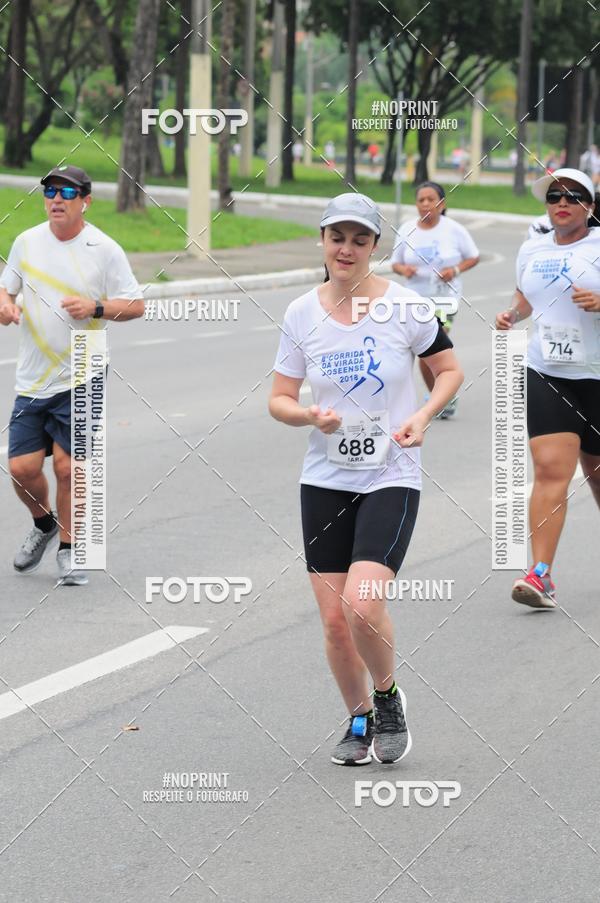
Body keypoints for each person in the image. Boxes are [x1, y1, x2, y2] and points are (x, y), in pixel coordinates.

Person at [269, 193, 463, 764]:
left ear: (375, 246)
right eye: (337, 238)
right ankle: (358, 719)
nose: (346, 249)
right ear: (323, 241)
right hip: (325, 478)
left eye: (359, 240)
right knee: (335, 623)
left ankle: (386, 697)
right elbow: (279, 399)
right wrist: (308, 415)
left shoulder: (406, 307)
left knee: (361, 605)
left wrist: (423, 416)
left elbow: (449, 370)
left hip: (390, 474)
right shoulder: (301, 313)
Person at [0, 165, 144, 586]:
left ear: (86, 201)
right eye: (50, 192)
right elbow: (6, 289)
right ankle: (44, 524)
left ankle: (70, 549)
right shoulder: (27, 242)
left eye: (67, 192)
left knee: (68, 467)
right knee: (21, 468)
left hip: (84, 371)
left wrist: (95, 307)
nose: (56, 200)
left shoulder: (104, 249)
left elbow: (136, 305)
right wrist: (5, 306)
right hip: (34, 377)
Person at [495, 168, 600, 608]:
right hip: (548, 372)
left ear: (589, 206)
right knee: (551, 470)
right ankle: (540, 574)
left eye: (573, 196)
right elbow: (525, 296)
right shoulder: (532, 248)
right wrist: (512, 314)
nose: (562, 203)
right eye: (554, 196)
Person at [391, 181, 479, 417]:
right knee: (414, 351)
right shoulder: (407, 229)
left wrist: (455, 270)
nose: (426, 204)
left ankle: (440, 400)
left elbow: (473, 257)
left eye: (431, 199)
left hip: (444, 298)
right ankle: (440, 397)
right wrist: (404, 270)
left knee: (429, 349)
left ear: (442, 204)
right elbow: (395, 263)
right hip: (414, 299)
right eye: (421, 200)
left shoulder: (454, 230)